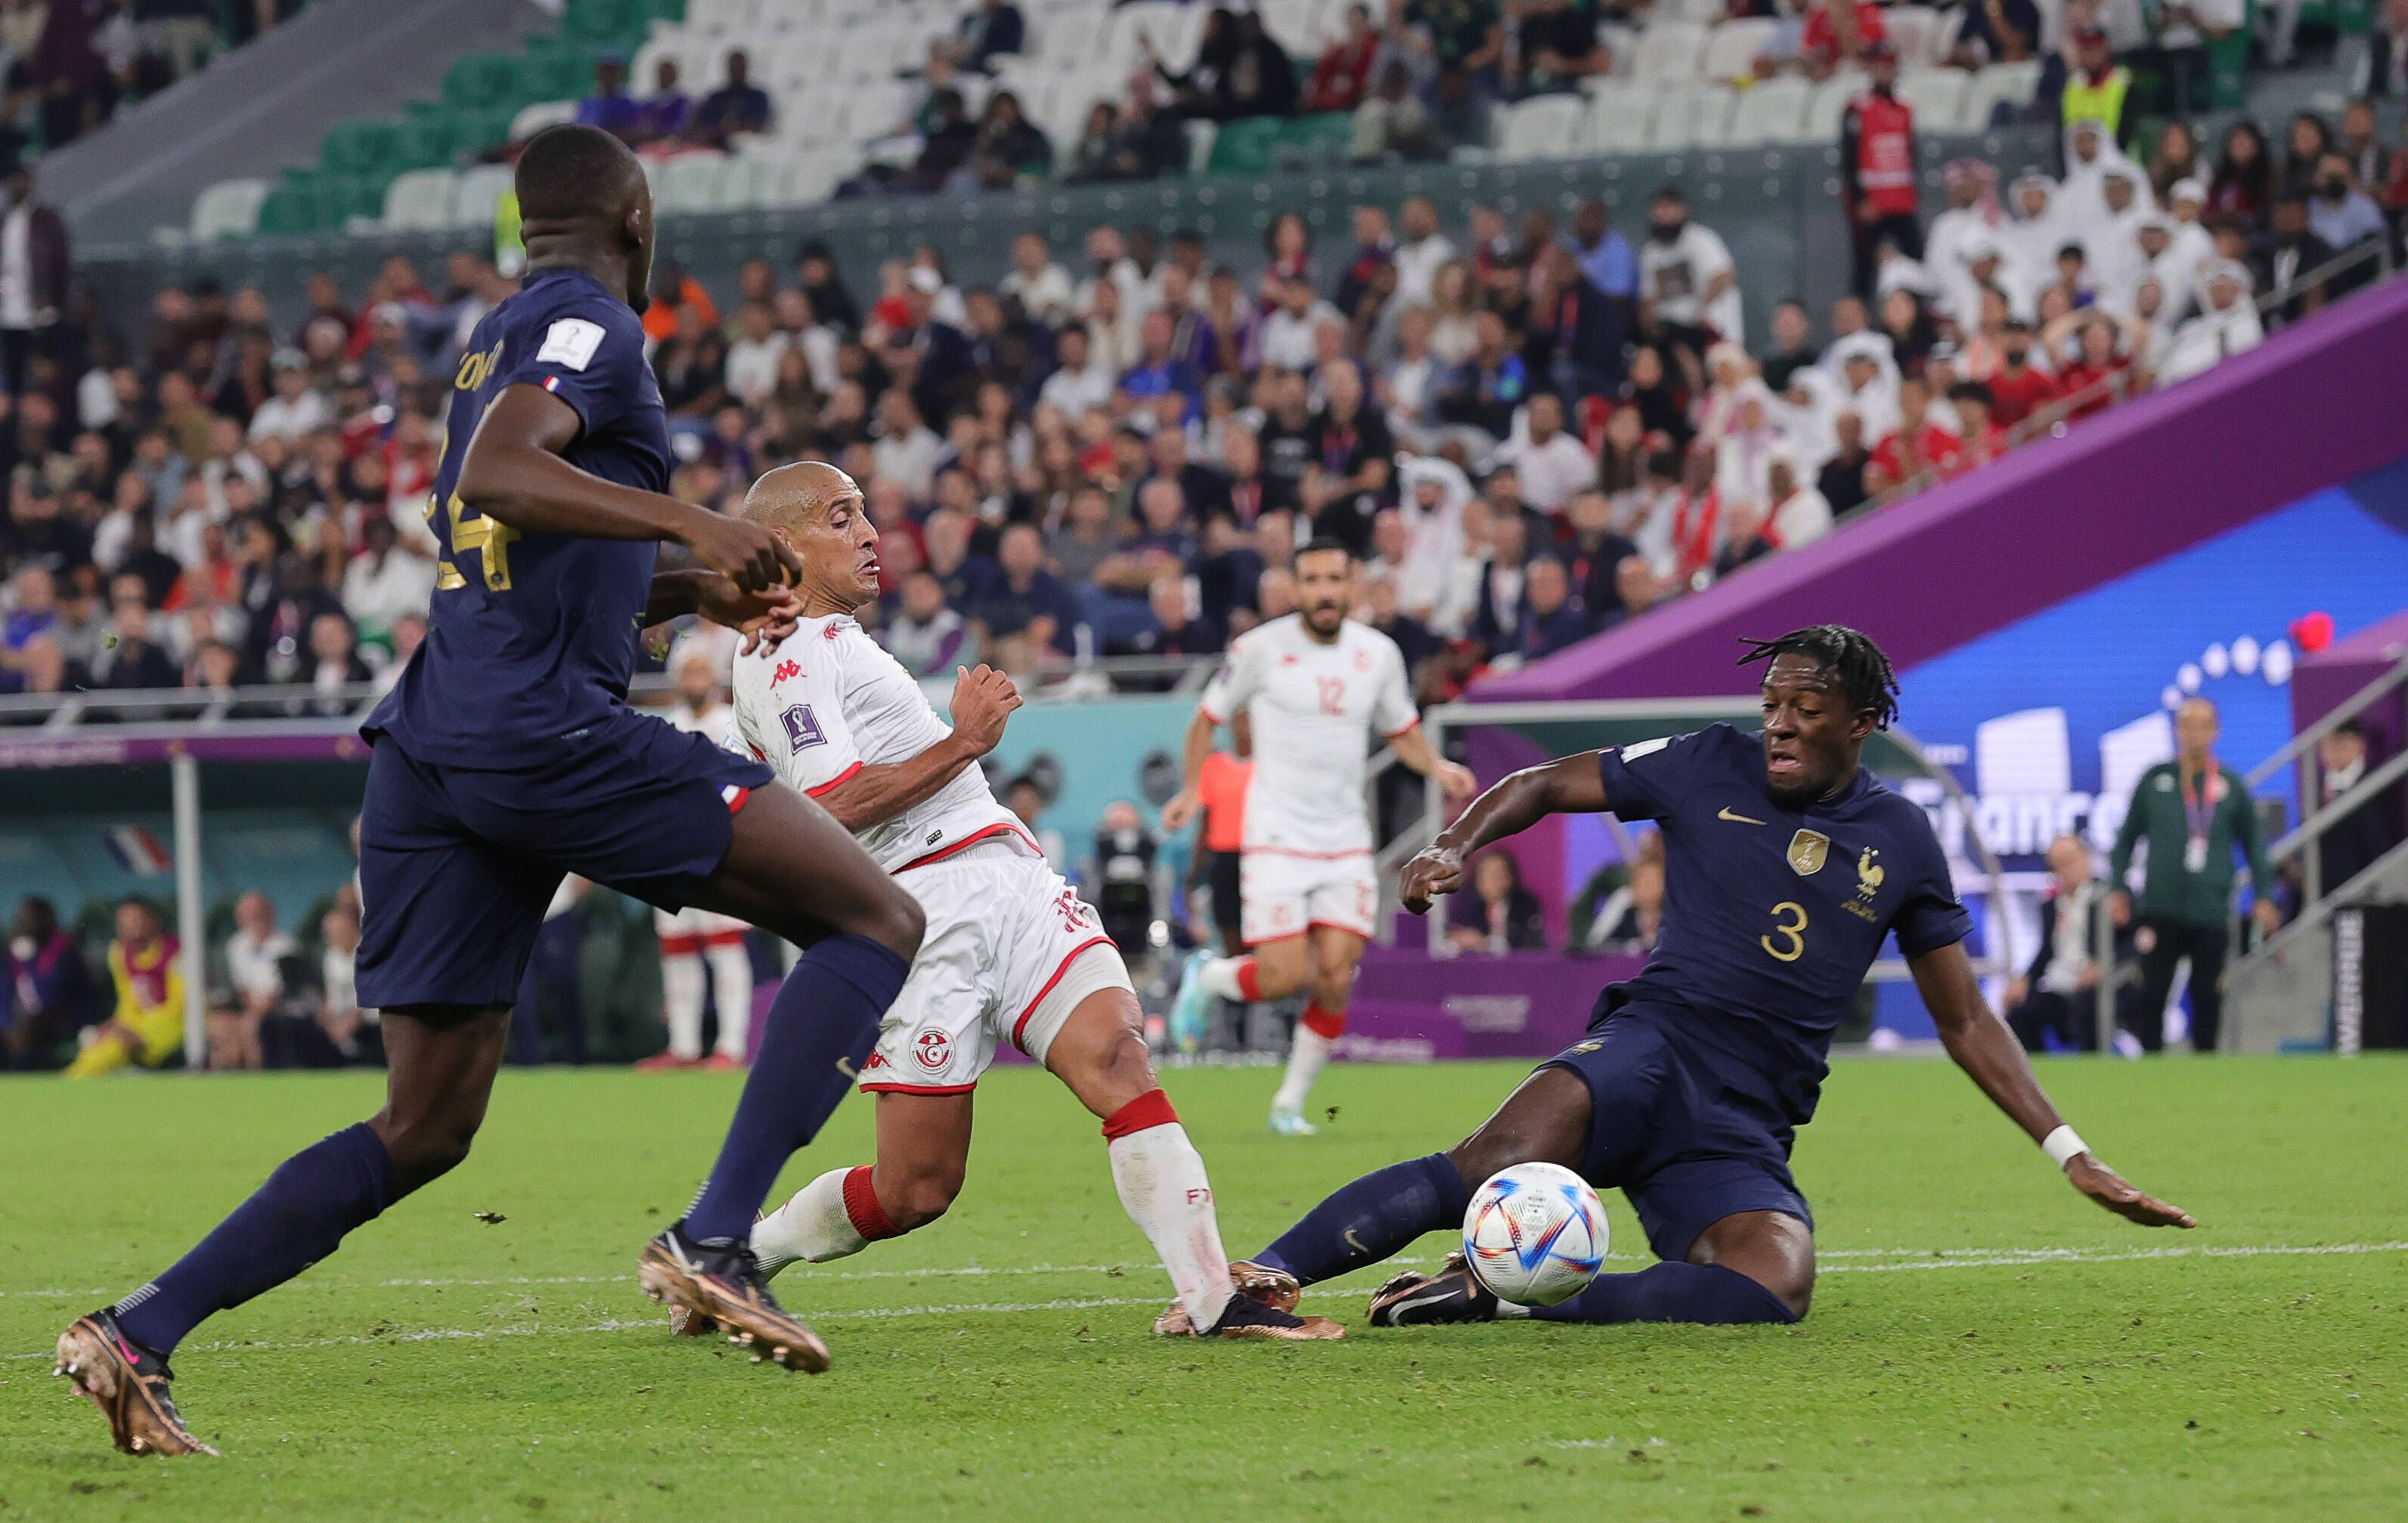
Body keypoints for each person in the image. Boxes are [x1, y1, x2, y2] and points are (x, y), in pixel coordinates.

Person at [55, 127, 930, 1458]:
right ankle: (717, 1239)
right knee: (876, 924)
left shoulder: (493, 339)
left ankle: (138, 1330)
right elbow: (501, 479)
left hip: (438, 743)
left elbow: (522, 544)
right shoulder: (593, 327)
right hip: (539, 736)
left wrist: (698, 587)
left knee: (425, 1124)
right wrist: (699, 524)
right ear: (636, 219)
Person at [1163, 625, 2192, 1336]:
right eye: (1772, 702)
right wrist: (1452, 844)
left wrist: (2070, 1151)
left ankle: (1511, 1295)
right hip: (1649, 1048)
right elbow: (1540, 782)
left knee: (1775, 1280)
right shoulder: (1707, 761)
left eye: (1807, 706)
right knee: (1488, 1159)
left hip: (1744, 1117)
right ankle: (1255, 1275)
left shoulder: (1902, 838)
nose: (1779, 722)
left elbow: (1964, 1017)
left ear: (1862, 719)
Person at [732, 462, 1338, 1343]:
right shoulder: (787, 655)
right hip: (919, 913)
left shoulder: (833, 638)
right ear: (785, 544)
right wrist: (965, 740)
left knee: (1119, 1054)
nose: (870, 533)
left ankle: (1213, 1297)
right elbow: (830, 806)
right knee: (916, 1190)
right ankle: (741, 1253)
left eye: (866, 512)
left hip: (1004, 875)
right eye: (841, 517)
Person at [1163, 539, 1477, 1135]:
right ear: (1297, 586)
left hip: (1344, 839)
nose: (1325, 591)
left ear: (1352, 583)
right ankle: (1206, 978)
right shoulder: (1258, 649)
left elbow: (1400, 728)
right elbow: (1205, 718)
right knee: (1283, 976)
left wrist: (1435, 765)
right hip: (1277, 833)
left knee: (1335, 974)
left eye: (1335, 578)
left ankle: (1289, 1102)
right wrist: (1190, 791)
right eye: (1312, 580)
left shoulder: (1377, 653)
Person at [2107, 696, 2279, 1054]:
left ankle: (2206, 1070)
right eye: (2189, 725)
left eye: (2204, 725)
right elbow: (2124, 841)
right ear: (2178, 729)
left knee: (2207, 995)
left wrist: (2264, 895)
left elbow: (2255, 848)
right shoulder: (2155, 781)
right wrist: (2118, 889)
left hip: (2210, 911)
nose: (2196, 733)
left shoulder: (2230, 785)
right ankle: (2150, 1069)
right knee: (2151, 993)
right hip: (2160, 908)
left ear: (2216, 731)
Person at [637, 645, 758, 1072]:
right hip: (673, 848)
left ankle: (730, 1046)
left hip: (722, 847)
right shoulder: (666, 726)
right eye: (687, 672)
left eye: (701, 671)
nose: (694, 681)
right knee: (678, 949)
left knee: (725, 947)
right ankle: (684, 1046)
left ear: (715, 676)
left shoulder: (733, 724)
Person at [2004, 834, 2117, 1053]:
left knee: (2089, 1006)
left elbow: (2128, 943)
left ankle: (2093, 1071)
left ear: (2086, 859)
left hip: (2099, 986)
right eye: (2058, 865)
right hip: (2061, 985)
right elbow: (2046, 952)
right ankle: (2036, 1075)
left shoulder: (2108, 897)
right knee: (2021, 1011)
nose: (2065, 870)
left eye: (2070, 861)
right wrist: (2025, 980)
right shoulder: (2052, 906)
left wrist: (2103, 965)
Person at [64, 898, 184, 1079]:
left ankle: (64, 1086)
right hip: (136, 1030)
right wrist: (115, 1024)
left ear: (153, 921)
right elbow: (128, 1003)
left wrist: (138, 1032)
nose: (130, 928)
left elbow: (181, 1008)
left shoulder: (177, 953)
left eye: (136, 921)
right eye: (123, 923)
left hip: (171, 1031)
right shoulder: (118, 953)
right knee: (98, 1043)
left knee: (113, 1047)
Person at [1839, 42, 1923, 301]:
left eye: (1889, 64)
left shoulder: (1905, 106)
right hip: (1871, 202)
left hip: (1901, 200)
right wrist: (1860, 200)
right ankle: (1861, 325)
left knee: (1915, 259)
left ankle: (1917, 316)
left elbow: (1911, 153)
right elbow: (1848, 158)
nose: (1884, 70)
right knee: (1865, 266)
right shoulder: (1858, 107)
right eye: (1879, 64)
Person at [4, 895, 97, 1069]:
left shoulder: (63, 949)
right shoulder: (13, 951)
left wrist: (29, 961)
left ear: (46, 921)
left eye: (31, 919)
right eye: (22, 920)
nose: (25, 925)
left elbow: (51, 995)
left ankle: (28, 1085)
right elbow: (4, 991)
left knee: (30, 1029)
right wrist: (7, 1022)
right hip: (28, 1019)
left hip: (67, 1018)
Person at [207, 890, 295, 1072]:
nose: (254, 918)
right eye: (247, 914)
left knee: (250, 1025)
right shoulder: (237, 945)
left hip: (278, 1008)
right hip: (247, 1006)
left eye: (258, 913)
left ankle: (255, 1075)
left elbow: (280, 989)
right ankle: (224, 1077)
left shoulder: (286, 945)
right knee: (219, 1024)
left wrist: (255, 1011)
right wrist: (248, 1007)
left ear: (270, 914)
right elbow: (240, 987)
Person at [1449, 851, 1549, 952]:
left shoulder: (1525, 906)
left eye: (1500, 873)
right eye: (1488, 874)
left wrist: (1485, 943)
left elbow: (1531, 945)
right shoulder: (1469, 907)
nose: (1494, 880)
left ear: (1510, 877)